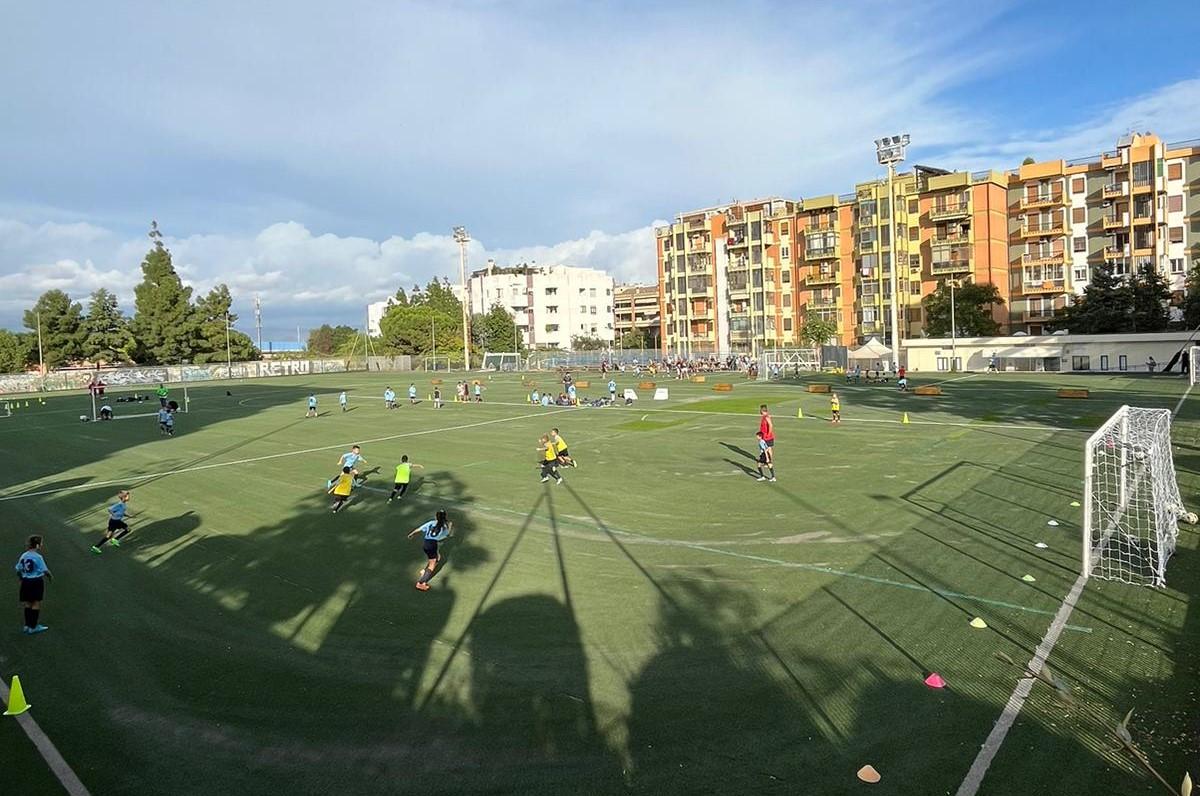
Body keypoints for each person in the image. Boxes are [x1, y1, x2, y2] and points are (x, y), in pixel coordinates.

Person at [407, 510, 453, 591]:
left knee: (437, 557)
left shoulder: (431, 523)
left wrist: (412, 534)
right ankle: (420, 583)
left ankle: (424, 572)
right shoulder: (443, 526)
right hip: (432, 545)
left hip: (426, 543)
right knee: (432, 564)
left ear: (436, 516)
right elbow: (447, 534)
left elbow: (420, 529)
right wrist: (450, 527)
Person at [15, 535, 52, 635]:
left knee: (27, 603)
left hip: (26, 581)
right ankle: (33, 626)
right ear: (37, 545)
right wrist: (50, 576)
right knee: (36, 603)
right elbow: (44, 570)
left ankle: (27, 625)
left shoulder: (24, 555)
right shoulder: (38, 557)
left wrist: (21, 577)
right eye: (41, 543)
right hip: (36, 581)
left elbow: (18, 569)